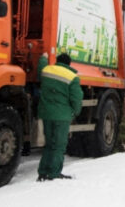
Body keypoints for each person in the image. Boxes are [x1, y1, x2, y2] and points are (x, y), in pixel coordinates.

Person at [36, 52, 83, 181]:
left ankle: (43, 172)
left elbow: (40, 68)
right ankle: (54, 173)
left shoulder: (47, 70)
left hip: (46, 114)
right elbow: (76, 98)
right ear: (69, 64)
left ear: (57, 61)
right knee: (59, 145)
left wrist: (43, 58)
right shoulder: (72, 77)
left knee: (49, 144)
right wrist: (75, 112)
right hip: (62, 116)